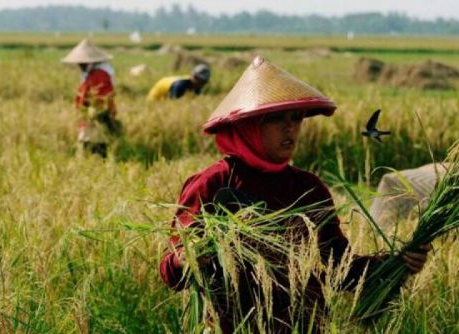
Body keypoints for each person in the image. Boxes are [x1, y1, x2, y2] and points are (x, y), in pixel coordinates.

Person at [159, 56, 430, 333]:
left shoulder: (308, 189)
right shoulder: (214, 184)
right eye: (276, 119)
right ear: (248, 125)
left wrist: (397, 263)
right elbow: (171, 272)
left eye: (296, 118)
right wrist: (186, 258)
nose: (290, 128)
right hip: (235, 324)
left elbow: (340, 267)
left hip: (305, 324)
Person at [62, 39, 121, 158]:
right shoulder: (94, 74)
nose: (80, 66)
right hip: (93, 118)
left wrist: (86, 108)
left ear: (91, 62)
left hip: (96, 119)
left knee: (93, 148)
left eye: (82, 64)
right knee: (94, 147)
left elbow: (99, 99)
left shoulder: (99, 76)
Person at [146, 64, 211, 101]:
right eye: (202, 82)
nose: (202, 85)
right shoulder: (180, 85)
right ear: (195, 77)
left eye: (204, 83)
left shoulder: (197, 86)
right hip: (155, 98)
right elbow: (173, 105)